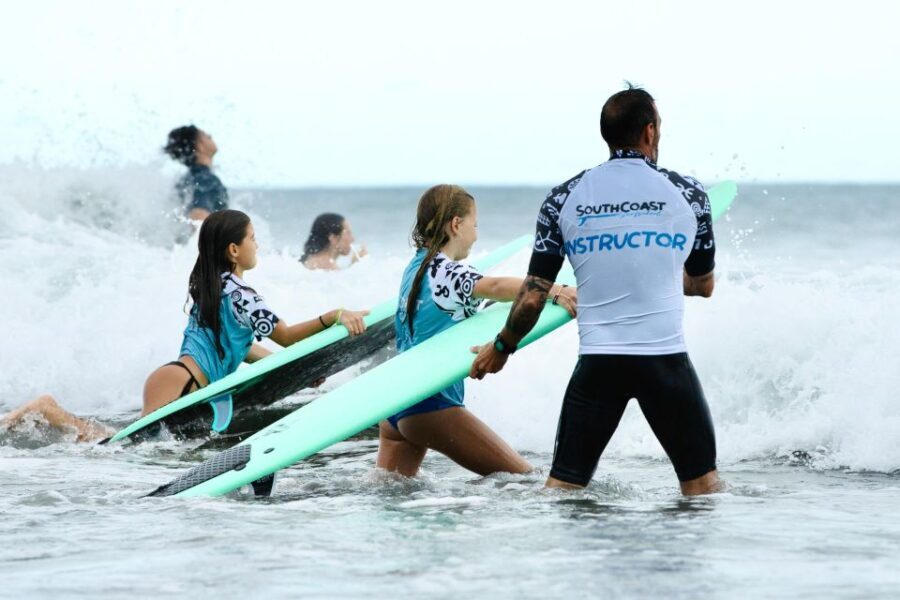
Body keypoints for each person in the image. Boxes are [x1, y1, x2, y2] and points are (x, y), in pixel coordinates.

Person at [470, 84, 721, 496]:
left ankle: (567, 559)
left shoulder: (563, 198)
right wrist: (653, 264)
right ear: (650, 132)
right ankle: (688, 559)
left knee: (563, 488)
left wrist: (502, 347)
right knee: (702, 488)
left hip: (599, 364)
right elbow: (702, 284)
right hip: (664, 361)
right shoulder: (689, 194)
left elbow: (534, 294)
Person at [2, 210, 369, 443]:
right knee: (119, 449)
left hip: (182, 378)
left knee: (124, 445)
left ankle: (44, 414)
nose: (258, 245)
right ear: (234, 250)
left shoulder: (216, 285)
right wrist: (335, 314)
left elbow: (239, 347)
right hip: (182, 381)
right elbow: (287, 336)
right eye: (253, 239)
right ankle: (47, 409)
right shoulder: (240, 293)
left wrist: (291, 371)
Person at [375, 184, 576, 477]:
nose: (477, 233)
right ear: (457, 225)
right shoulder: (448, 272)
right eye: (475, 223)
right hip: (431, 404)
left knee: (391, 496)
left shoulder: (416, 267)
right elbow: (494, 286)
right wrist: (554, 290)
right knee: (524, 481)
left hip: (395, 404)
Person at [164, 125, 229, 222]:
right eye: (206, 135)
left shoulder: (185, 181)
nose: (210, 136)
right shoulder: (205, 179)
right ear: (200, 146)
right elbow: (198, 217)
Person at [300, 213, 368, 270]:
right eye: (348, 233)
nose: (353, 239)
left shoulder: (311, 260)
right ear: (333, 238)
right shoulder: (327, 265)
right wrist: (356, 266)